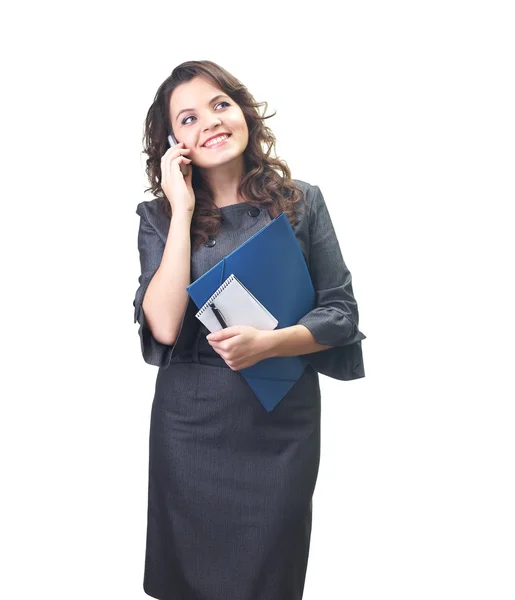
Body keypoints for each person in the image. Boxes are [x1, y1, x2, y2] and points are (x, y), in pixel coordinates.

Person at [133, 60, 366, 600]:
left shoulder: (300, 201)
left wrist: (273, 343)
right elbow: (164, 326)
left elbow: (341, 312)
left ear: (243, 112)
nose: (210, 122)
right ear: (173, 142)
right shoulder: (160, 217)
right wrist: (183, 206)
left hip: (280, 423)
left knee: (269, 578)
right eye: (187, 118)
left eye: (220, 105)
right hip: (191, 426)